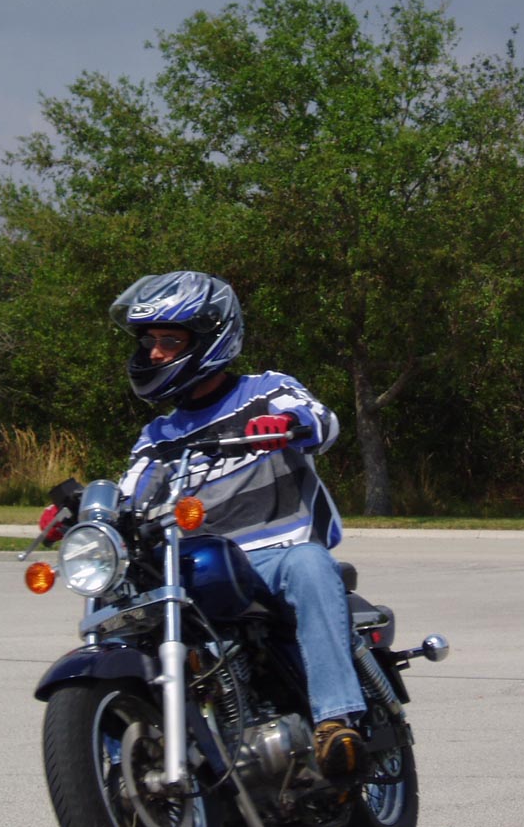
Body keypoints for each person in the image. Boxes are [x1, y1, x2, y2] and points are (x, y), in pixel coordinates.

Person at [110, 270, 367, 779]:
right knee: (123, 605)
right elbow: (129, 494)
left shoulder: (266, 391)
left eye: (168, 341)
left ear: (209, 339)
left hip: (275, 555)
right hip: (196, 570)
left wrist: (289, 425)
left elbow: (321, 420)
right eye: (149, 341)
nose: (154, 353)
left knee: (310, 564)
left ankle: (336, 721)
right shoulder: (158, 435)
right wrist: (90, 514)